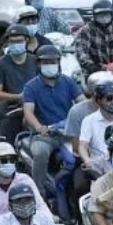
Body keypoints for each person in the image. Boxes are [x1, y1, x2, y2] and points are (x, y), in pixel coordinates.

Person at [21, 44, 82, 193]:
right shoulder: (30, 87)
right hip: (45, 135)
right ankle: (38, 193)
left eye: (53, 62)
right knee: (40, 153)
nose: (50, 65)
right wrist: (38, 127)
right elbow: (28, 112)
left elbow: (82, 101)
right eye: (46, 62)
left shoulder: (68, 82)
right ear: (38, 64)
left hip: (69, 132)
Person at [0, 24, 36, 141]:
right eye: (12, 42)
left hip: (34, 109)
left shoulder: (35, 61)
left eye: (19, 41)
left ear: (26, 40)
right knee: (6, 145)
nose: (16, 45)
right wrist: (18, 97)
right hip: (11, 111)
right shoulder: (1, 64)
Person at [73, 0, 113, 72]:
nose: (104, 17)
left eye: (106, 14)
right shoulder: (85, 31)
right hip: (96, 72)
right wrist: (90, 65)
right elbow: (81, 52)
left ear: (111, 15)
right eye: (100, 15)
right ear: (95, 16)